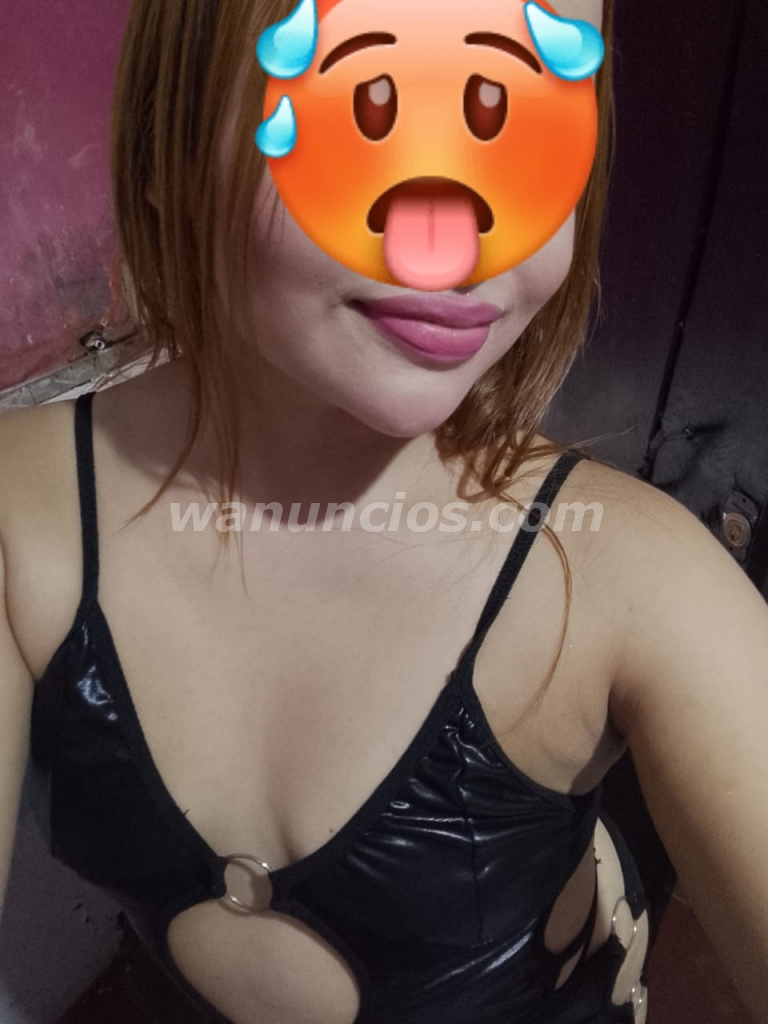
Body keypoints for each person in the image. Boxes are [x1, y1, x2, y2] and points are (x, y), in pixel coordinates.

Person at [1, 1, 767, 1022]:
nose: (461, 229)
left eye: (520, 117)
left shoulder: (635, 585)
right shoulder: (25, 513)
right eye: (370, 105)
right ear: (168, 139)